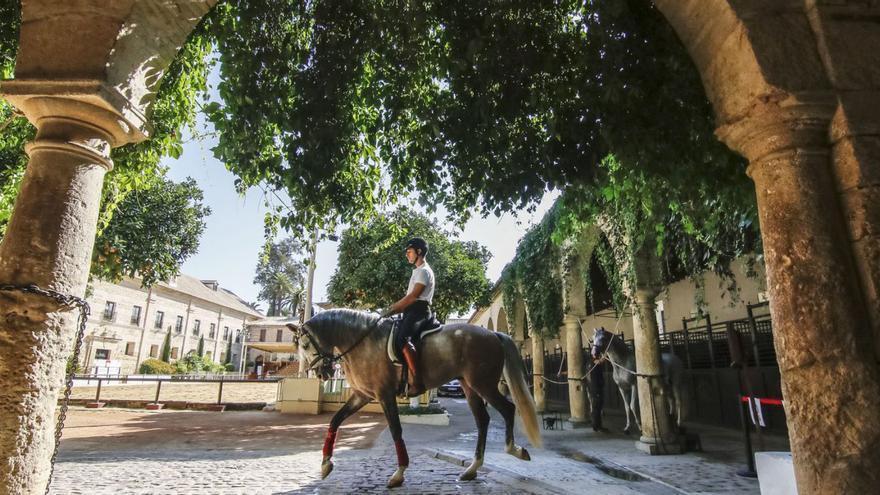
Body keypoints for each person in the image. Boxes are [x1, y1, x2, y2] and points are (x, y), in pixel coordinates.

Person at [381, 237, 435, 396]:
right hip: (411, 311)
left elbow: (413, 297)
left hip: (419, 312)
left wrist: (391, 309)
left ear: (419, 252)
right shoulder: (417, 271)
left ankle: (417, 382)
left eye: (409, 252)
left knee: (402, 339)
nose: (407, 255)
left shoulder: (424, 271)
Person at [590, 331, 609, 433]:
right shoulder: (593, 361)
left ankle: (597, 425)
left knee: (598, 406)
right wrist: (604, 356)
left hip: (598, 386)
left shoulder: (594, 361)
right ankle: (596, 426)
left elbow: (599, 361)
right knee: (597, 407)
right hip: (596, 387)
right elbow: (599, 361)